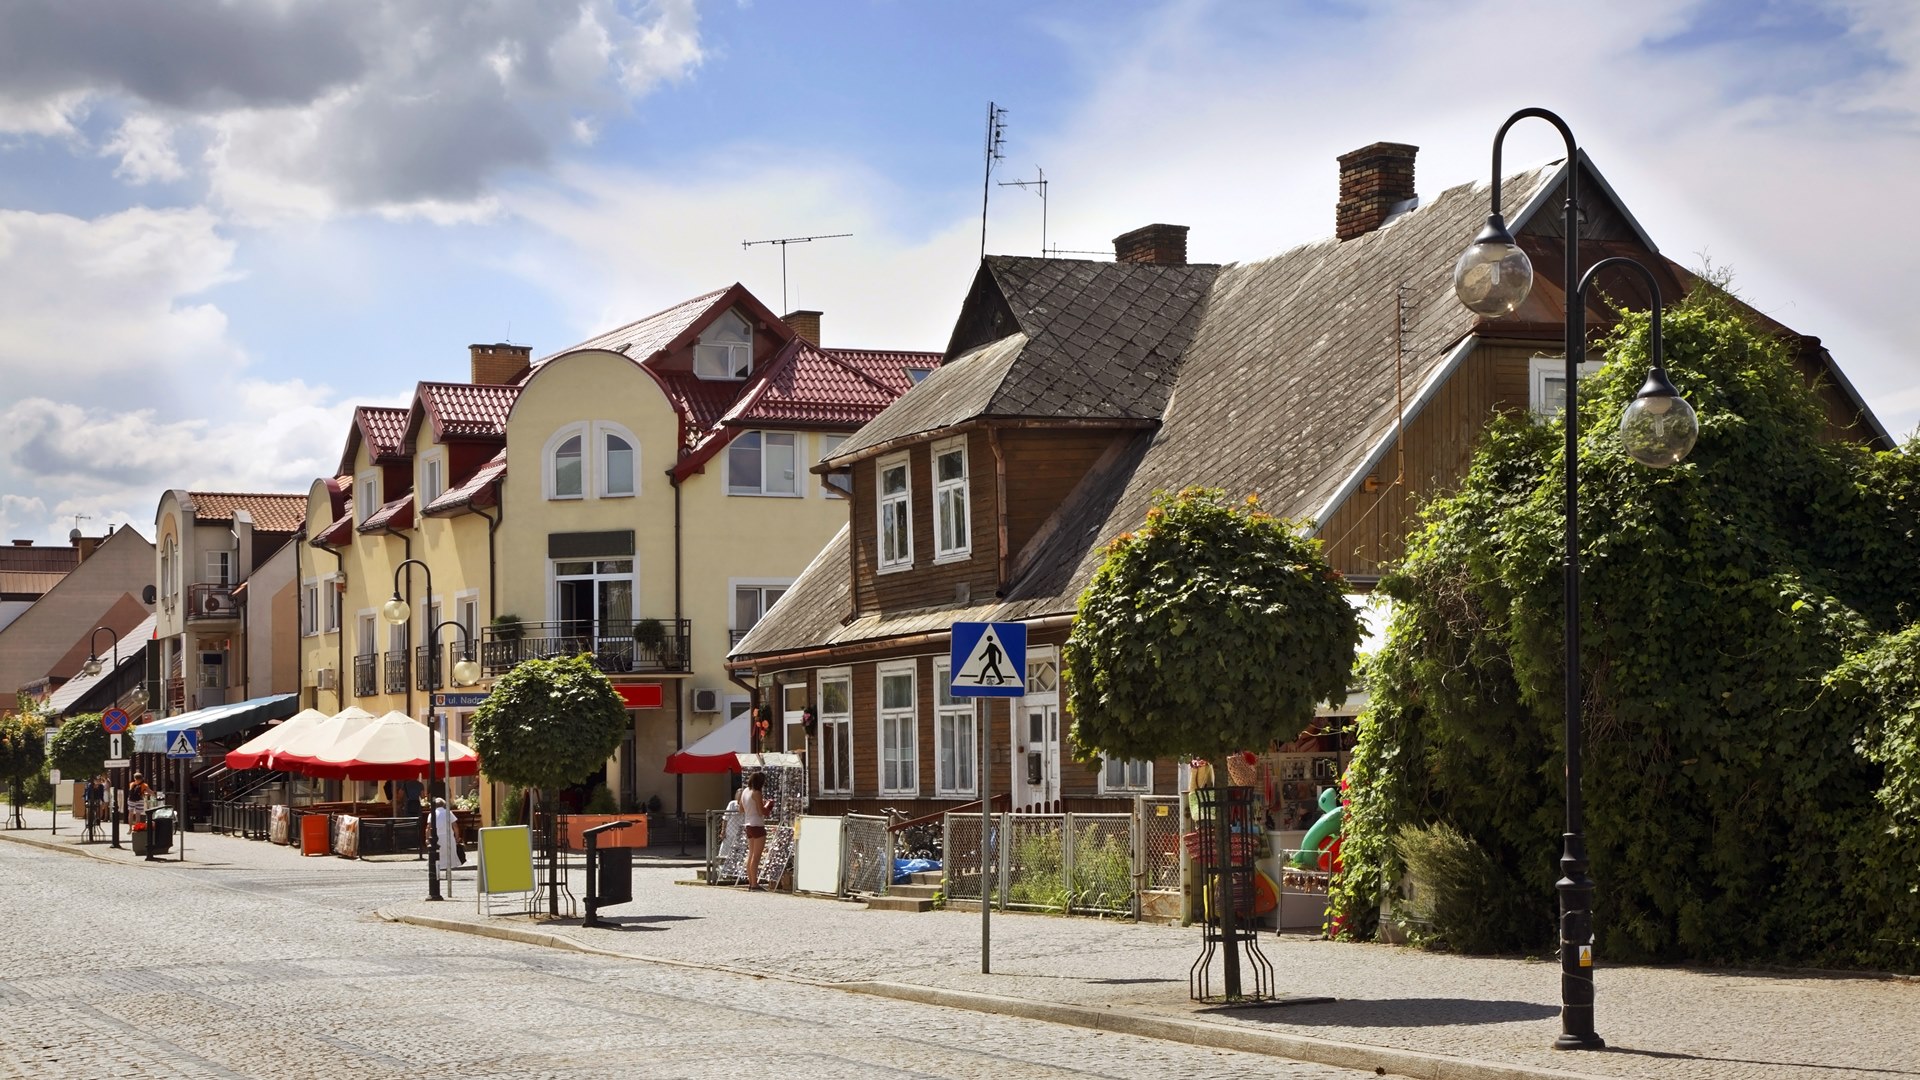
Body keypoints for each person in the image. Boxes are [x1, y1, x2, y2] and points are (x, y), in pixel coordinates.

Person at [735, 773, 773, 891]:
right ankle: (755, 884)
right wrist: (768, 805)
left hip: (748, 824)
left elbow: (741, 809)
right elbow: (761, 812)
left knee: (750, 855)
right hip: (757, 824)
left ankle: (751, 882)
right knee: (756, 857)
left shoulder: (745, 791)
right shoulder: (757, 793)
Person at [431, 797, 463, 873]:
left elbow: (428, 827)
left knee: (438, 854)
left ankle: (438, 868)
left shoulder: (432, 814)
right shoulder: (448, 812)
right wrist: (457, 837)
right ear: (444, 805)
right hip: (448, 836)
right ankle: (448, 870)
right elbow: (455, 825)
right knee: (449, 853)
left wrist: (427, 838)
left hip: (437, 837)